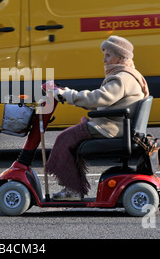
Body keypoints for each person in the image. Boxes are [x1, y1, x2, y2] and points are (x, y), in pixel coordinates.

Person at [44, 35, 150, 201]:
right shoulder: (127, 74)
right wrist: (68, 95)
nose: (104, 59)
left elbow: (100, 98)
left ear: (121, 58)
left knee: (65, 139)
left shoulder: (122, 78)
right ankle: (73, 186)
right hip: (116, 124)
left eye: (108, 55)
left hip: (110, 127)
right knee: (69, 138)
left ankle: (72, 189)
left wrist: (70, 95)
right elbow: (101, 102)